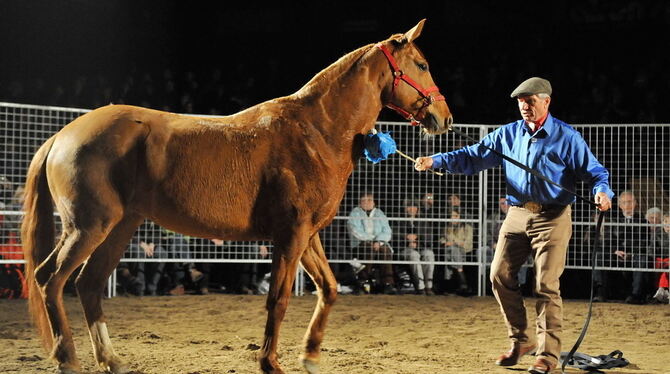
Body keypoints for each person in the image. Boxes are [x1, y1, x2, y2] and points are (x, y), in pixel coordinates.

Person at [414, 76, 613, 374]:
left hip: (553, 217)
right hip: (517, 213)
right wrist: (437, 160)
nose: (524, 106)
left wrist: (602, 192)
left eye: (530, 100)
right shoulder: (507, 134)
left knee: (546, 285)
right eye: (521, 101)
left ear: (546, 101)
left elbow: (596, 172)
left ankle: (547, 355)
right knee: (498, 275)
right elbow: (473, 156)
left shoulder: (567, 137)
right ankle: (521, 340)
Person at [595, 190, 649, 304]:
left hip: (634, 254)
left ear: (635, 204)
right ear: (620, 205)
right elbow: (608, 240)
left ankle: (635, 295)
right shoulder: (613, 221)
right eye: (624, 202)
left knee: (642, 258)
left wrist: (632, 253)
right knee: (599, 255)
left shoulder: (644, 221)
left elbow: (645, 241)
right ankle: (600, 293)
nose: (627, 205)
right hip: (616, 253)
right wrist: (615, 251)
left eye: (630, 202)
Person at [347, 192, 397, 294]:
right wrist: (371, 240)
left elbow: (387, 230)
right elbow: (355, 230)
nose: (367, 202)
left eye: (369, 200)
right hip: (361, 243)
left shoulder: (380, 213)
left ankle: (387, 283)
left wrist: (379, 242)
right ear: (360, 202)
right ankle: (363, 281)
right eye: (364, 200)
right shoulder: (355, 213)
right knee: (368, 248)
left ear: (374, 202)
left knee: (385, 250)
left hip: (379, 243)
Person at [395, 197, 435, 295]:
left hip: (421, 247)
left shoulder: (423, 220)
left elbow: (429, 236)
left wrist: (417, 239)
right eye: (409, 206)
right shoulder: (398, 219)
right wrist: (406, 237)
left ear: (417, 208)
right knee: (414, 255)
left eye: (414, 206)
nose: (411, 209)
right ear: (405, 208)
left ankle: (428, 286)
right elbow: (394, 234)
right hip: (404, 248)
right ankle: (420, 287)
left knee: (429, 254)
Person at [440, 207, 473, 295]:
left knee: (452, 251)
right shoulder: (447, 227)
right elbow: (442, 239)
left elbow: (468, 244)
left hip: (464, 251)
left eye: (455, 216)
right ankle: (460, 273)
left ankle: (448, 283)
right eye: (451, 216)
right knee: (451, 250)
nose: (453, 218)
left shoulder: (467, 227)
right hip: (452, 251)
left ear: (460, 216)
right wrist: (445, 243)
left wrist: (454, 242)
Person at [651, 214, 670, 303]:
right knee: (663, 265)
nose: (668, 225)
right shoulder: (657, 233)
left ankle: (661, 289)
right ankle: (664, 289)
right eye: (666, 222)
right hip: (659, 259)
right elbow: (652, 248)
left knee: (667, 266)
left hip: (668, 260)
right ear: (663, 222)